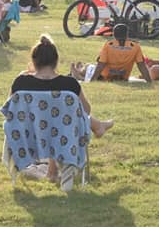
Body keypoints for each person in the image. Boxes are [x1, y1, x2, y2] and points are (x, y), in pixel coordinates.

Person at [10, 35, 115, 183]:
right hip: (62, 135)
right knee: (59, 122)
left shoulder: (21, 82)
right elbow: (86, 110)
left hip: (29, 133)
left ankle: (52, 170)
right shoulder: (69, 84)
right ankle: (98, 126)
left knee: (52, 122)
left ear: (33, 61)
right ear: (56, 61)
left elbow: (11, 109)